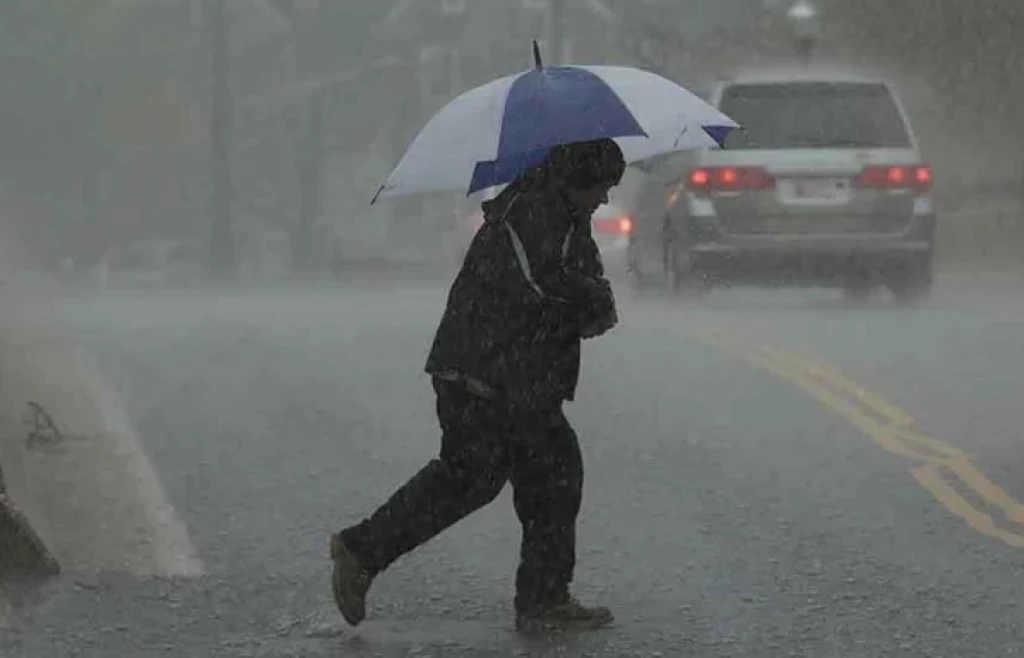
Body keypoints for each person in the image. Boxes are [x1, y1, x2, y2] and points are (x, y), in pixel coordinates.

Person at [329, 138, 625, 633]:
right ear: (578, 177)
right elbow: (542, 283)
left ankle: (542, 599)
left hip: (519, 375)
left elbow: (583, 276)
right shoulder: (530, 210)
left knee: (544, 476)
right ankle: (361, 550)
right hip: (484, 370)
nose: (605, 199)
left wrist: (598, 302)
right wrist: (589, 304)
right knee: (480, 475)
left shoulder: (565, 214)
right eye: (602, 186)